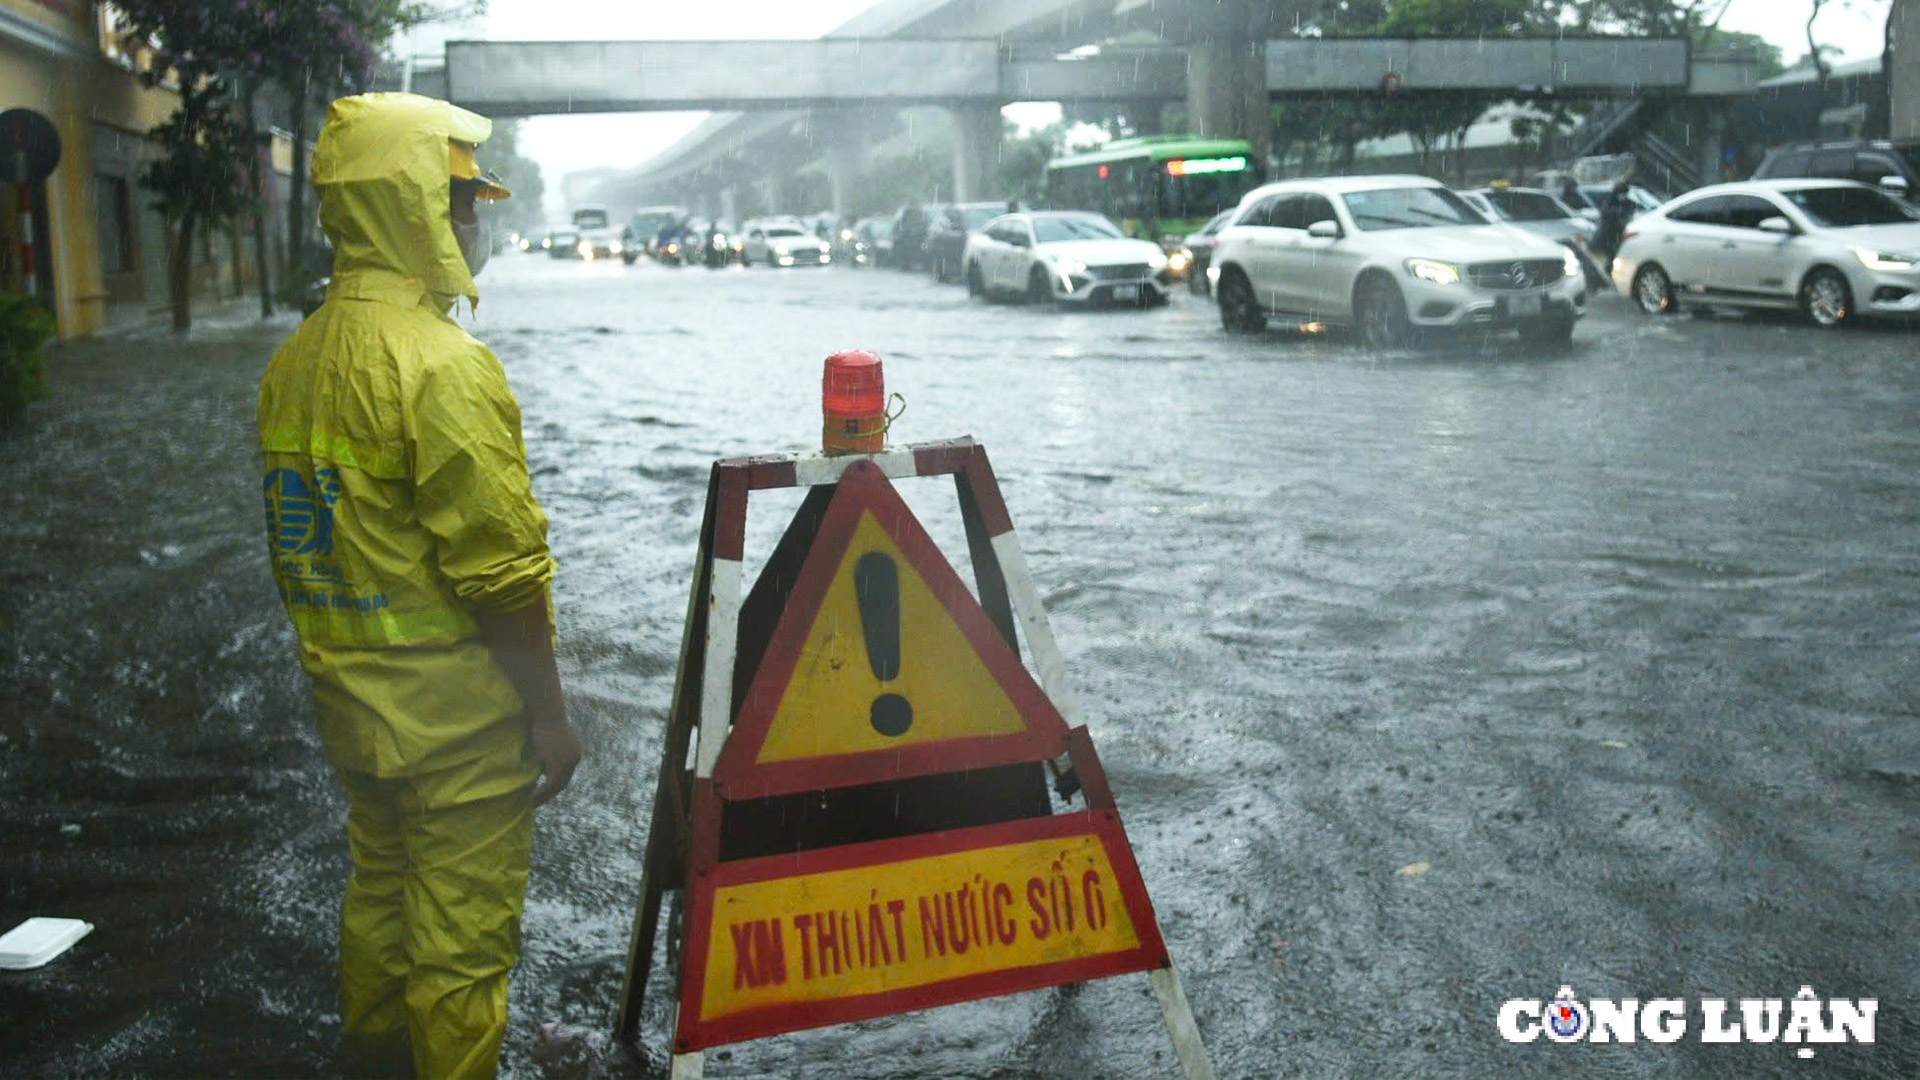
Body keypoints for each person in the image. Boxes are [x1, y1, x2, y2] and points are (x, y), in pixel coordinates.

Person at [257, 91, 580, 1080]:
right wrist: (550, 717)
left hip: (355, 714)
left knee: (382, 903)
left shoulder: (294, 361)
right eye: (463, 202)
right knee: (461, 964)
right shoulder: (444, 367)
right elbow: (504, 574)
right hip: (459, 732)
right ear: (414, 208)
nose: (476, 223)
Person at [1591, 179, 1634, 275]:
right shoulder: (1610, 200)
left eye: (1625, 193)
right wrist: (1617, 212)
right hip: (1608, 232)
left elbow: (1630, 212)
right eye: (1621, 193)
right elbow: (1605, 212)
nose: (1623, 196)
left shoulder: (1628, 203)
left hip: (1620, 231)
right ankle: (1609, 270)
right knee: (1611, 253)